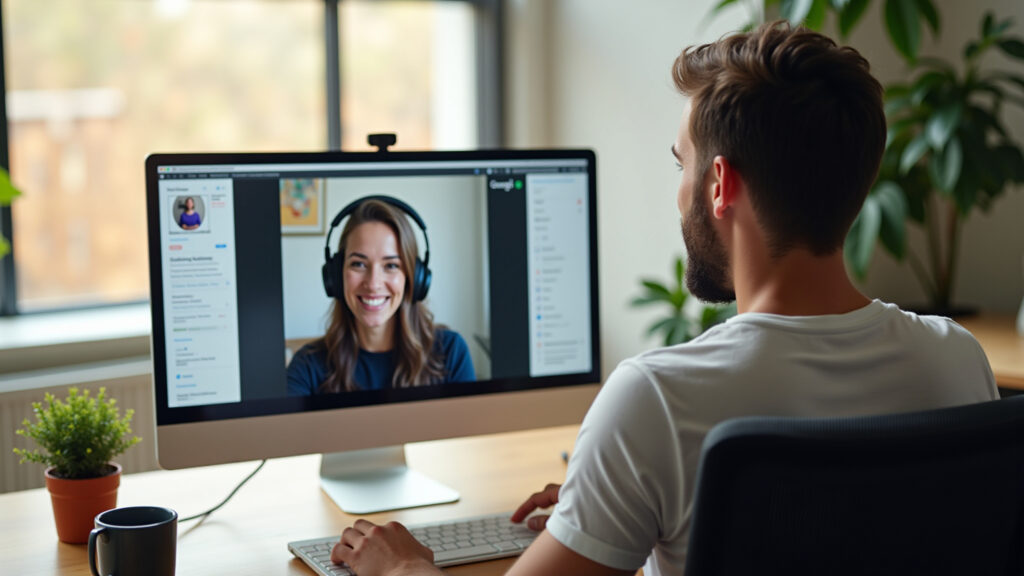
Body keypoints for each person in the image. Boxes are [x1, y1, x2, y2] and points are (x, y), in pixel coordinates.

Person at [327, 22, 998, 576]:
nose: (677, 190)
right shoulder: (956, 360)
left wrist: (402, 569)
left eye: (680, 164)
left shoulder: (658, 400)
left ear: (719, 185)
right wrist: (607, 507)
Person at [287, 198, 474, 394]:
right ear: (336, 274)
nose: (373, 284)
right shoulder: (307, 366)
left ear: (413, 278)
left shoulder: (450, 353)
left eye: (391, 266)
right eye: (358, 264)